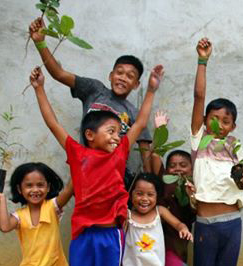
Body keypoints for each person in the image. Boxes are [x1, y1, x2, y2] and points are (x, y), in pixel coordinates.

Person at [30, 62, 163, 266]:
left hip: (110, 236)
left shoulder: (118, 158)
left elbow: (141, 120)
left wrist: (152, 90)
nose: (118, 137)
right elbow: (52, 123)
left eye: (120, 132)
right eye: (111, 131)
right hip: (83, 236)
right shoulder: (78, 154)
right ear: (90, 135)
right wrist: (39, 90)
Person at [28, 17, 154, 184]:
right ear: (110, 75)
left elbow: (145, 154)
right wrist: (40, 44)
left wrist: (151, 187)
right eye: (119, 72)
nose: (123, 78)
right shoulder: (95, 90)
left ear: (136, 85)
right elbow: (59, 74)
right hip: (85, 170)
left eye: (130, 76)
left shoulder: (133, 113)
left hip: (116, 176)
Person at [189, 38, 243, 266]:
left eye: (225, 122)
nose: (218, 125)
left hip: (231, 223)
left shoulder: (236, 145)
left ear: (233, 126)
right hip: (204, 224)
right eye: (213, 119)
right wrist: (203, 61)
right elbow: (199, 97)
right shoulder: (199, 141)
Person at [143, 115, 197, 266]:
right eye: (173, 165)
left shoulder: (194, 187)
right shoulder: (163, 183)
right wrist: (160, 129)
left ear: (192, 169)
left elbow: (197, 211)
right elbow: (155, 157)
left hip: (178, 249)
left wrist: (192, 195)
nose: (177, 169)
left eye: (183, 165)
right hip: (153, 245)